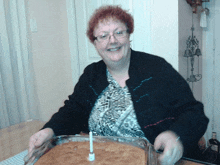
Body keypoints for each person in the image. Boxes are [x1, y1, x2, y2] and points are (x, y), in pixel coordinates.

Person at [28, 5, 209, 165]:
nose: (112, 40)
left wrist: (175, 136)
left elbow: (194, 112)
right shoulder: (92, 74)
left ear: (129, 35)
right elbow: (73, 111)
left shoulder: (157, 68)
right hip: (101, 159)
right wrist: (49, 131)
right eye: (103, 36)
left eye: (119, 32)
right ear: (95, 43)